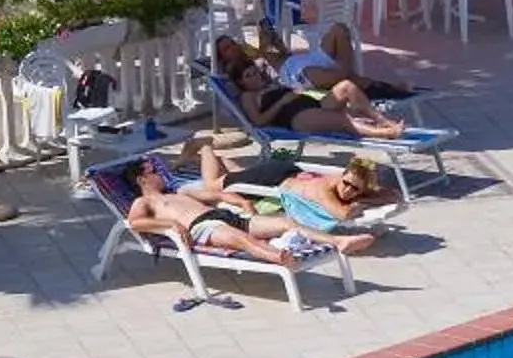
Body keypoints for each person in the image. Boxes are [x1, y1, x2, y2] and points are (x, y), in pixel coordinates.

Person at [124, 150, 375, 265]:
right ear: (141, 180)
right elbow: (134, 223)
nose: (159, 173)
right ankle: (278, 258)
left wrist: (241, 201)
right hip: (203, 227)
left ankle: (338, 242)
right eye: (153, 171)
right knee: (242, 240)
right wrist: (170, 224)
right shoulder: (144, 202)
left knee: (286, 223)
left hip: (224, 215)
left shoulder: (178, 191)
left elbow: (214, 194)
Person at [211, 35, 414, 140]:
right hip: (297, 117)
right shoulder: (248, 97)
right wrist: (283, 101)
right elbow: (258, 123)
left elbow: (277, 57)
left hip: (312, 102)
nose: (255, 76)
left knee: (346, 86)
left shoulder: (266, 81)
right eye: (249, 76)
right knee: (342, 120)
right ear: (241, 82)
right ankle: (386, 134)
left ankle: (383, 121)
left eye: (254, 72)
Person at [278, 21, 416, 103]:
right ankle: (386, 88)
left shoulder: (277, 52)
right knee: (343, 76)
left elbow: (274, 47)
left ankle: (353, 78)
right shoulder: (271, 68)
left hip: (312, 59)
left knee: (339, 28)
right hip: (300, 74)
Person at [278, 154, 399, 234]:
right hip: (275, 176)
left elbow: (395, 196)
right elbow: (343, 215)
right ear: (342, 176)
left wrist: (363, 200)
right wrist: (359, 201)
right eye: (346, 183)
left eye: (355, 189)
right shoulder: (324, 189)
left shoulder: (356, 184)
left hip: (299, 174)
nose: (347, 190)